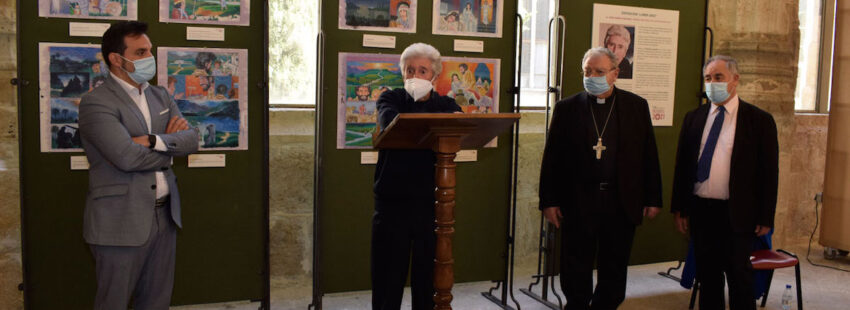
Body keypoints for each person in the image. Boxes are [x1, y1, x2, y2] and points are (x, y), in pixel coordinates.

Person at [78, 21, 199, 310]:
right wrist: (170, 149)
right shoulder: (96, 102)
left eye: (149, 50)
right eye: (141, 52)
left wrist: (151, 140)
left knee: (157, 301)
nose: (149, 58)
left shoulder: (161, 96)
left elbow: (192, 140)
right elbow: (126, 157)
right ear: (116, 59)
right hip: (120, 220)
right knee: (114, 302)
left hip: (165, 217)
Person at [538, 47, 662, 310]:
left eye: (599, 71)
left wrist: (653, 198)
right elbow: (552, 159)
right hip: (578, 201)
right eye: (587, 71)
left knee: (614, 266)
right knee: (575, 265)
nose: (592, 76)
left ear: (615, 73)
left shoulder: (636, 106)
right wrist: (549, 201)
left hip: (620, 200)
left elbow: (649, 155)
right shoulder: (567, 108)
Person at [671, 55, 778, 310]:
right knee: (708, 277)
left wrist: (766, 216)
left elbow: (769, 173)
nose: (712, 83)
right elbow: (682, 167)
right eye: (708, 78)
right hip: (702, 210)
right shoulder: (694, 118)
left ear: (735, 79)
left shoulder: (758, 120)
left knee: (740, 277)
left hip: (737, 212)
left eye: (718, 77)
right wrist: (680, 208)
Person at [372, 43, 462, 310]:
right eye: (410, 70)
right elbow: (391, 122)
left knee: (427, 281)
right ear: (402, 73)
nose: (415, 75)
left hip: (431, 204)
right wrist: (434, 123)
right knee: (388, 278)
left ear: (435, 76)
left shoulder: (446, 104)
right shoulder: (390, 99)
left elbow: (457, 122)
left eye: (422, 70)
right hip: (392, 202)